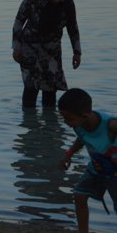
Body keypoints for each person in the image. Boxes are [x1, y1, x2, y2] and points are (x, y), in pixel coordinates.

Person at [13, 0, 81, 107]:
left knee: (51, 88)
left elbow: (73, 28)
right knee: (31, 87)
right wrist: (17, 48)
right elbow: (18, 23)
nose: (57, 0)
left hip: (52, 50)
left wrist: (77, 52)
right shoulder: (32, 0)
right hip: (29, 49)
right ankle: (30, 122)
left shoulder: (68, 4)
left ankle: (50, 123)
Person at [57, 88, 117, 233]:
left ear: (84, 115)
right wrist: (68, 154)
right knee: (79, 195)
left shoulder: (111, 125)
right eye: (64, 118)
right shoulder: (79, 124)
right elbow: (82, 137)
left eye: (69, 118)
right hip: (96, 167)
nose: (66, 123)